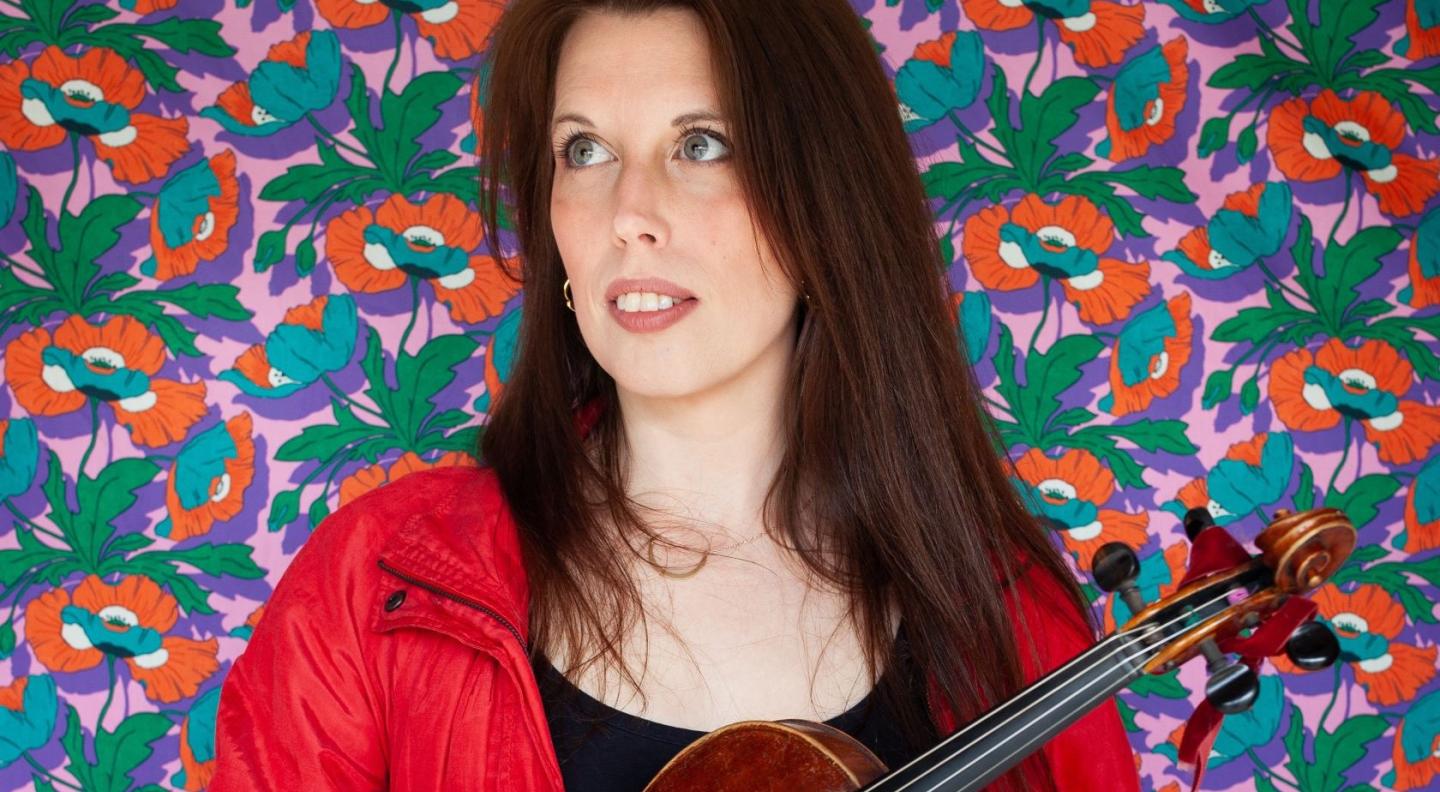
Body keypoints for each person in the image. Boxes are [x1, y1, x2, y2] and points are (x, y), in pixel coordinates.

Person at [211, 1, 1141, 790]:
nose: (627, 215)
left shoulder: (1008, 619)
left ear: (823, 201)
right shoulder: (378, 583)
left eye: (699, 144)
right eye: (584, 150)